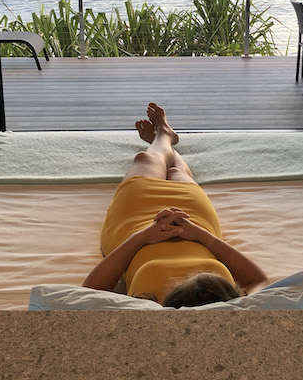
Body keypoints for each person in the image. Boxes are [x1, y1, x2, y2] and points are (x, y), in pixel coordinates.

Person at [83, 102, 269, 308]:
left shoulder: (147, 308)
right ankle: (164, 139)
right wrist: (200, 234)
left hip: (139, 225)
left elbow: (91, 293)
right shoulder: (235, 309)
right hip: (192, 222)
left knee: (146, 160)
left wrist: (144, 236)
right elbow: (259, 282)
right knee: (176, 173)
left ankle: (163, 135)